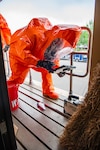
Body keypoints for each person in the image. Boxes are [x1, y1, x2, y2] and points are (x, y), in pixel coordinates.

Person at [8, 17, 81, 100]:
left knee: (47, 69)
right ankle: (9, 94)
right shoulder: (31, 34)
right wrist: (40, 63)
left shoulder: (56, 41)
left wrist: (57, 69)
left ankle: (48, 90)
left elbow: (53, 57)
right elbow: (22, 53)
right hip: (18, 56)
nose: (59, 47)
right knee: (17, 78)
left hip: (37, 56)